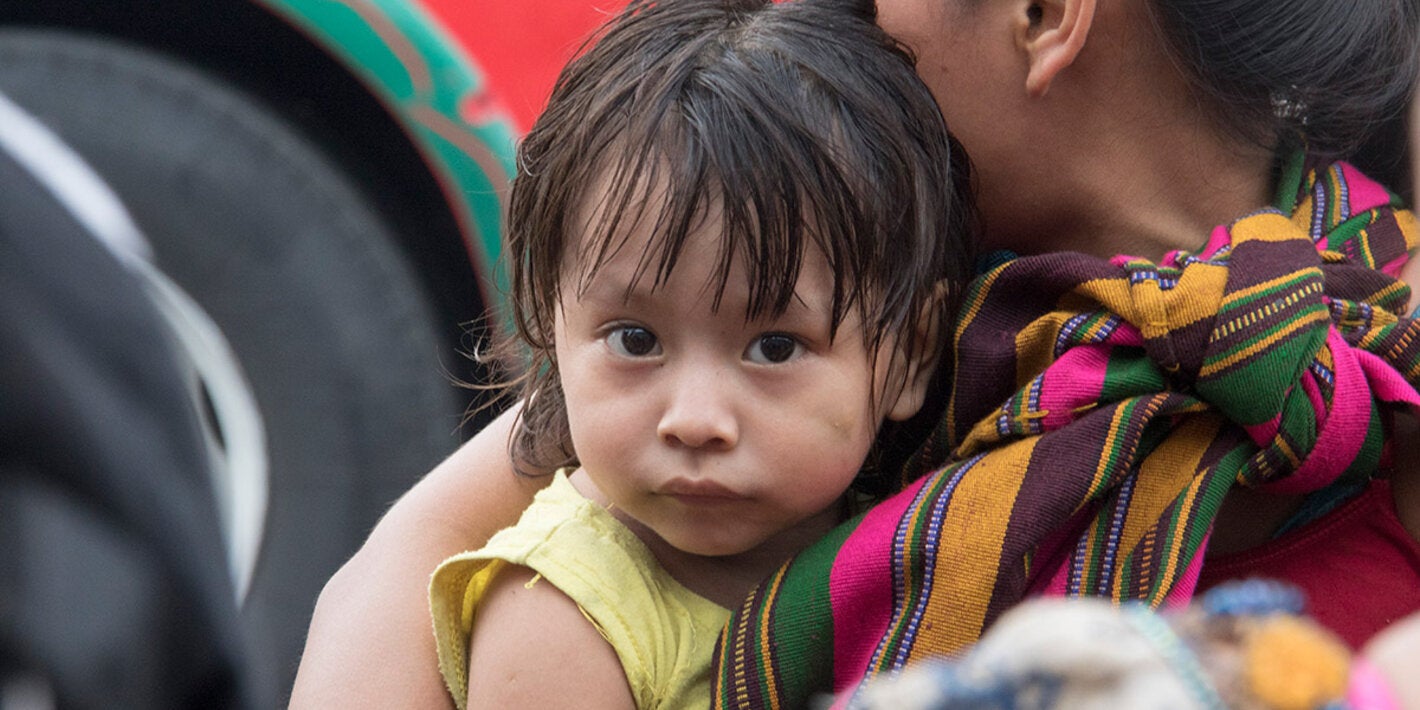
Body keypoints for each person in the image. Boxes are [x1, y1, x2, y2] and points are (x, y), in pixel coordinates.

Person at [290, 0, 1420, 707]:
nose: (830, 16)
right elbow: (407, 560)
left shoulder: (1384, 328)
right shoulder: (813, 298)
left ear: (1044, 14)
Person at [420, 0, 971, 706]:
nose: (696, 420)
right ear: (552, 329)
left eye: (774, 348)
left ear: (910, 353)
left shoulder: (927, 537)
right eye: (635, 340)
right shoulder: (559, 616)